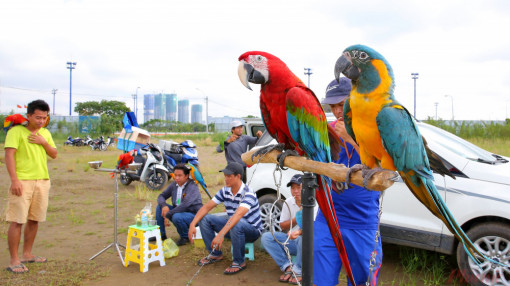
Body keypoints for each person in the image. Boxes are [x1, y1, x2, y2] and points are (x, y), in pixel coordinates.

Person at [313, 78, 383, 286]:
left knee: (363, 281)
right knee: (322, 280)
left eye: (341, 105)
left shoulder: (374, 130)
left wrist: (351, 138)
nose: (336, 111)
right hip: (328, 218)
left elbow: (384, 167)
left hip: (362, 222)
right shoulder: (327, 130)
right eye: (332, 106)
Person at [5, 100, 57, 274]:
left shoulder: (45, 133)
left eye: (44, 117)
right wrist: (14, 180)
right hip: (22, 181)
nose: (41, 121)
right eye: (38, 117)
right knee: (17, 220)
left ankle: (27, 254)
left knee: (35, 219)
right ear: (28, 116)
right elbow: (9, 156)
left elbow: (54, 154)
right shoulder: (16, 132)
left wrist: (43, 142)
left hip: (42, 180)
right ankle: (14, 260)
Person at [188, 162, 262, 275]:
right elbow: (207, 207)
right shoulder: (225, 190)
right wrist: (193, 224)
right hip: (233, 227)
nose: (226, 179)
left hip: (251, 231)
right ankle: (215, 254)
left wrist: (221, 234)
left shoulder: (248, 193)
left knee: (237, 222)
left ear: (238, 176)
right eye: (225, 176)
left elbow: (237, 215)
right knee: (205, 218)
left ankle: (239, 262)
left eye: (229, 176)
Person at [261, 174, 303, 285]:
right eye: (293, 188)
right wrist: (297, 218)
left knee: (302, 239)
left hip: (307, 243)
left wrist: (298, 232)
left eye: (299, 187)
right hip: (291, 239)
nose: (295, 191)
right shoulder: (289, 201)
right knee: (266, 237)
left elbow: (314, 228)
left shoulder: (313, 202)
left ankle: (299, 270)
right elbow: (282, 226)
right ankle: (287, 266)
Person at [155, 163, 203, 246]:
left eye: (180, 175)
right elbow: (161, 196)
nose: (176, 178)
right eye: (175, 175)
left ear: (186, 176)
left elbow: (185, 205)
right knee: (160, 207)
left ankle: (185, 237)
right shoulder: (174, 184)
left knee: (176, 216)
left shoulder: (192, 186)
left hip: (194, 215)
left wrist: (168, 214)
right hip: (178, 212)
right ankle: (161, 235)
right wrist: (164, 206)